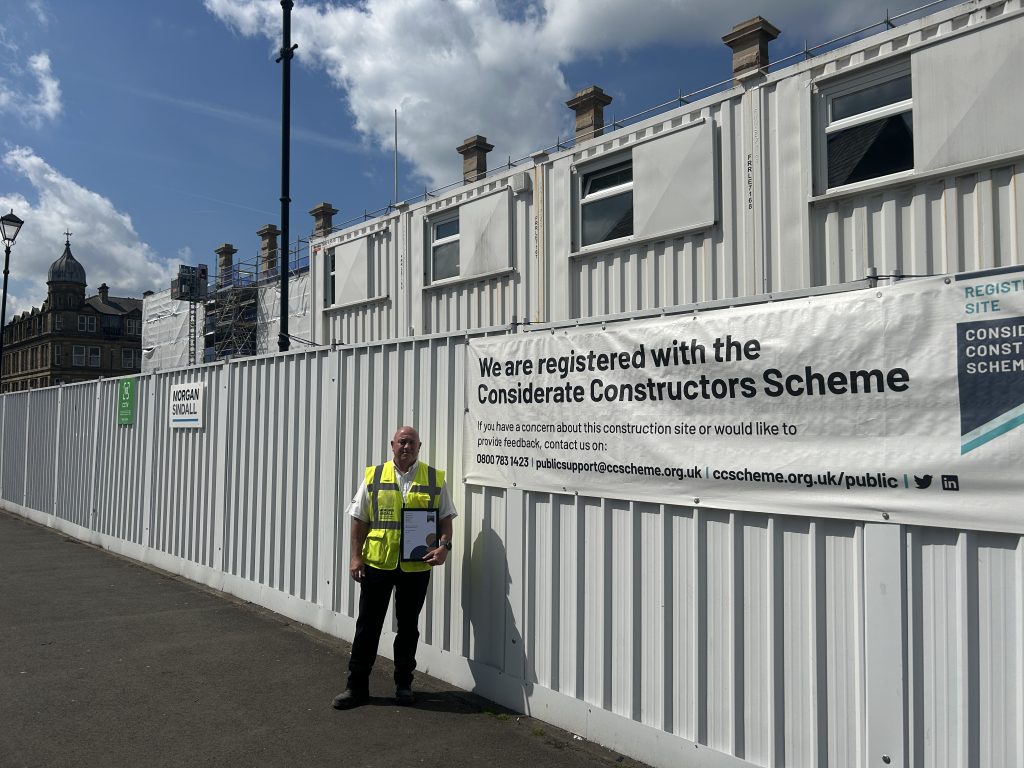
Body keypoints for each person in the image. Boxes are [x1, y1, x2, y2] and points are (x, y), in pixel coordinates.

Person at [332, 426, 456, 709]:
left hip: (416, 567)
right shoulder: (374, 476)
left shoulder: (434, 478)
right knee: (368, 627)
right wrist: (355, 557)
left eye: (412, 442)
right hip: (378, 564)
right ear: (392, 445)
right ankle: (356, 687)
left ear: (419, 446)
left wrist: (444, 547)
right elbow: (359, 519)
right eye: (402, 441)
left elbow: (446, 518)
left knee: (408, 628)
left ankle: (403, 684)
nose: (406, 446)